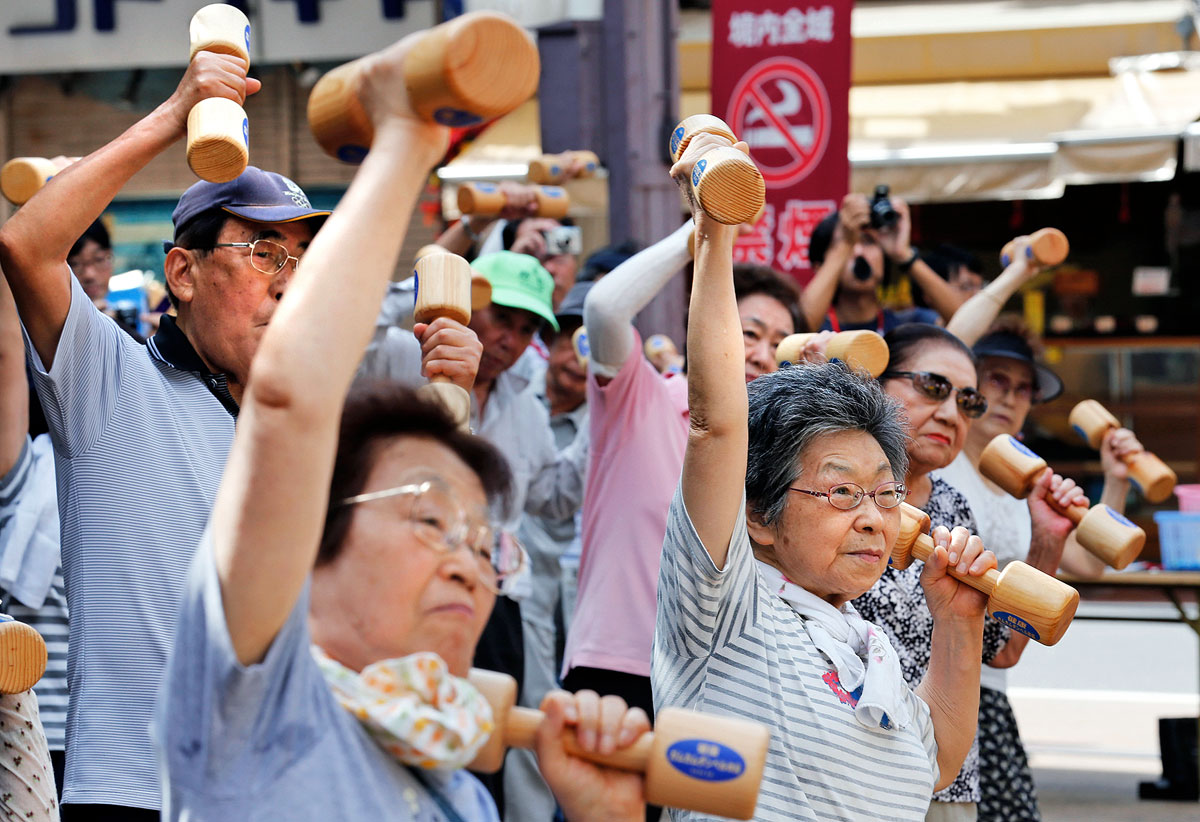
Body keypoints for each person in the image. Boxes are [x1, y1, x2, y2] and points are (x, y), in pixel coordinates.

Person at [151, 48, 649, 820]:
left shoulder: (460, 797)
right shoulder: (248, 700)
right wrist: (406, 139)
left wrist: (599, 815)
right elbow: (289, 400)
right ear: (314, 535)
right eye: (430, 520)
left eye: (484, 546)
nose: (469, 569)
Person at [0, 49, 330, 817]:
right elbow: (26, 245)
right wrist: (177, 113)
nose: (287, 277)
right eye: (263, 251)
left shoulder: (304, 423)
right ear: (181, 274)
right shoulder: (112, 382)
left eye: (300, 258)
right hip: (129, 796)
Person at [652, 131, 995, 822]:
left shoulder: (872, 646)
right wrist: (715, 236)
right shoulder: (727, 609)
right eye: (841, 492)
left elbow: (941, 764)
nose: (874, 517)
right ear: (758, 514)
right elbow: (717, 426)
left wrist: (958, 624)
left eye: (884, 492)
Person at [850, 323, 1087, 821]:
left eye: (969, 402)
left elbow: (1001, 651)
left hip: (943, 773)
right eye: (933, 387)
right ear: (873, 382)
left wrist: (1047, 538)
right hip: (845, 769)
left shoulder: (952, 505)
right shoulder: (831, 493)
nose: (952, 413)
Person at [466, 250, 589, 821]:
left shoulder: (525, 411)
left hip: (500, 606)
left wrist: (607, 411)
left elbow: (555, 496)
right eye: (500, 319)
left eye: (525, 329)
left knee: (490, 743)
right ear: (466, 301)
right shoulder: (407, 364)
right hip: (411, 589)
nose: (510, 340)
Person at [0, 271, 62, 819]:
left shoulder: (139, 477)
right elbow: (4, 360)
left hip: (122, 741)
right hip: (25, 733)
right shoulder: (26, 474)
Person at [800, 195, 968, 334]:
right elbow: (798, 327)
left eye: (868, 241)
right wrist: (843, 245)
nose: (858, 252)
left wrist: (904, 254)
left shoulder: (907, 325)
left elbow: (966, 322)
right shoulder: (817, 334)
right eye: (850, 244)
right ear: (820, 266)